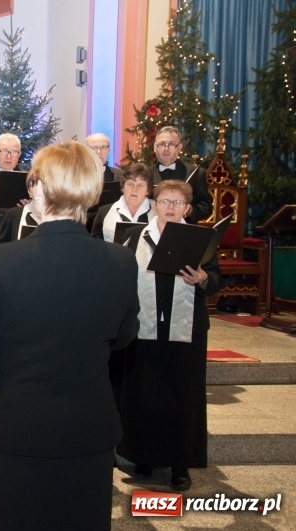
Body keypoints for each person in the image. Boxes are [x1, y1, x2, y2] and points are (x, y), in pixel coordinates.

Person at [0, 141, 140, 530]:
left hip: (14, 429)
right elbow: (124, 336)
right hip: (88, 430)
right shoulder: (121, 262)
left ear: (38, 190)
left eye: (33, 180)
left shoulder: (3, 261)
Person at [118, 179, 220, 492]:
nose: (170, 208)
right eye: (165, 201)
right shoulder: (136, 235)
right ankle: (144, 457)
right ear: (155, 205)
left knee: (182, 395)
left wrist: (203, 279)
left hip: (185, 330)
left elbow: (215, 280)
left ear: (188, 208)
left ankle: (180, 464)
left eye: (177, 202)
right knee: (144, 392)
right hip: (144, 326)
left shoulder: (200, 239)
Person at [151, 125, 212, 223]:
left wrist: (190, 211)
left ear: (179, 147)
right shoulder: (146, 174)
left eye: (171, 144)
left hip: (184, 231)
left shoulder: (196, 173)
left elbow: (206, 206)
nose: (166, 149)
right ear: (155, 147)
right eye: (162, 144)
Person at [91, 162, 154, 242]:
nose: (134, 189)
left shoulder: (156, 212)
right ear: (123, 187)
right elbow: (96, 246)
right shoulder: (104, 212)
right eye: (130, 184)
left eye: (140, 185)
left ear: (148, 190)